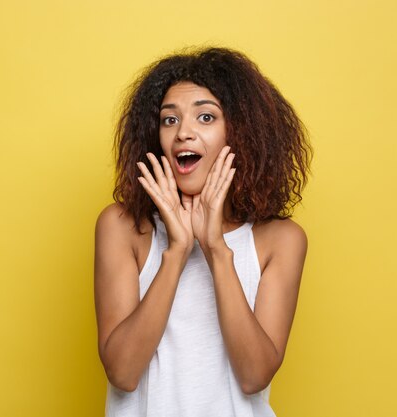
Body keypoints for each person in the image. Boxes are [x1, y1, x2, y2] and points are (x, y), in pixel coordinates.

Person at [94, 47, 312, 417]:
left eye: (205, 117)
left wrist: (214, 247)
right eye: (169, 120)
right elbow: (123, 373)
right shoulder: (122, 227)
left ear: (241, 133)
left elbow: (254, 376)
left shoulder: (281, 240)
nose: (183, 134)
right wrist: (177, 251)